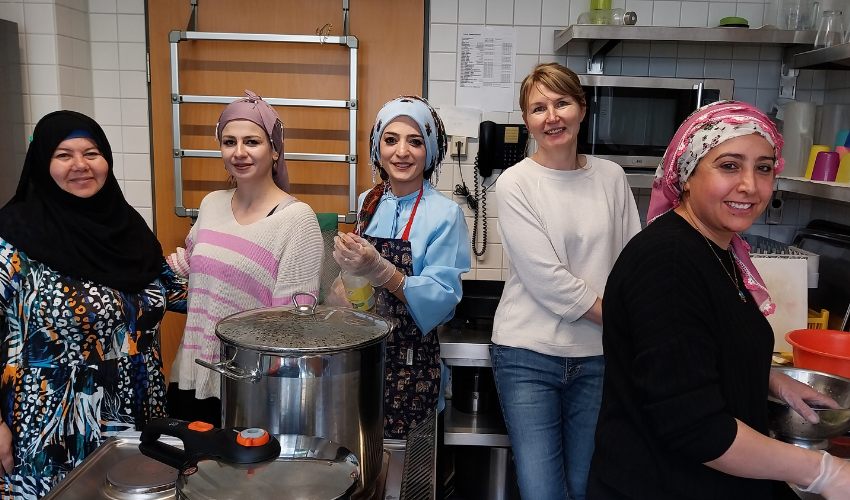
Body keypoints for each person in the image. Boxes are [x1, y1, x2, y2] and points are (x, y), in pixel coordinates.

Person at [588, 100, 850, 500]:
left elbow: (694, 352)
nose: (750, 185)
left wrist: (772, 381)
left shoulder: (718, 249)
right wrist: (823, 472)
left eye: (763, 168)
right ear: (687, 175)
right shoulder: (669, 260)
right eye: (729, 165)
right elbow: (695, 426)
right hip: (662, 483)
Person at [0, 111, 187, 499]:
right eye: (64, 155)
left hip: (137, 410)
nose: (81, 165)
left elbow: (177, 295)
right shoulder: (12, 240)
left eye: (91, 152)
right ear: (41, 163)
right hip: (52, 423)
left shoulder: (127, 230)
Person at [489, 62, 641, 500]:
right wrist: (621, 322)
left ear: (581, 108)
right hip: (528, 355)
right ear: (527, 121)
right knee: (542, 491)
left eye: (562, 102)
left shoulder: (611, 177)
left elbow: (631, 259)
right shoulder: (515, 183)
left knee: (586, 485)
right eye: (539, 108)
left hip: (597, 357)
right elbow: (546, 279)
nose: (552, 116)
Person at [166, 90, 323, 425]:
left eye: (252, 142)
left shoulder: (297, 220)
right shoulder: (211, 204)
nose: (238, 153)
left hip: (250, 393)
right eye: (228, 142)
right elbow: (193, 266)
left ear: (275, 149)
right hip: (189, 379)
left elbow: (293, 327)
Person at [333, 95, 471, 439]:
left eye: (415, 141)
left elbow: (443, 297)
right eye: (390, 140)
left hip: (413, 362)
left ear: (432, 150)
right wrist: (342, 280)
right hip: (362, 355)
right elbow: (356, 270)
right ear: (376, 148)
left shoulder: (445, 214)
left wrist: (383, 272)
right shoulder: (370, 200)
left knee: (408, 475)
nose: (402, 152)